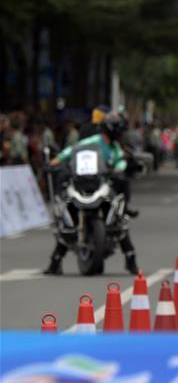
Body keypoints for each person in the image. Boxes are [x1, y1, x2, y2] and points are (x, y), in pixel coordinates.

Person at [44, 112, 140, 275]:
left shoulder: (116, 149)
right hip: (82, 183)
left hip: (102, 185)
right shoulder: (90, 143)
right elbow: (69, 153)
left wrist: (120, 169)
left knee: (118, 218)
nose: (121, 133)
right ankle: (56, 261)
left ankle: (130, 259)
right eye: (119, 130)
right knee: (68, 217)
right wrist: (54, 163)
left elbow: (121, 162)